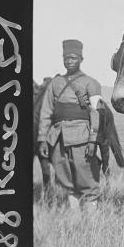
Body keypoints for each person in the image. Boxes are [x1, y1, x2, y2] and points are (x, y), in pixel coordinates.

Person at [37, 40, 102, 211]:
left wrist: (92, 140)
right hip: (58, 138)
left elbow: (95, 112)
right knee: (66, 182)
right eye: (66, 58)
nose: (69, 61)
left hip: (81, 137)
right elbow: (46, 112)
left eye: (73, 58)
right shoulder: (54, 84)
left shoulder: (91, 83)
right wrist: (43, 139)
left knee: (87, 181)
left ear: (81, 58)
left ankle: (93, 227)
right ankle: (74, 223)